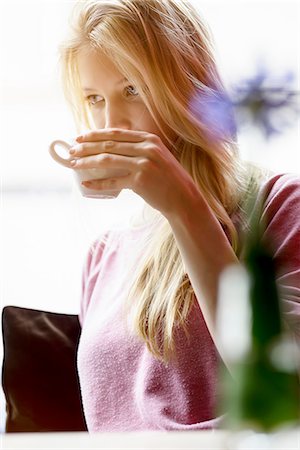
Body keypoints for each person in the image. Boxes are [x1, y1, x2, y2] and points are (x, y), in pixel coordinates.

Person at [59, 0, 300, 432]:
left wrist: (185, 208)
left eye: (132, 89)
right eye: (94, 99)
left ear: (185, 84)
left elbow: (283, 386)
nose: (112, 122)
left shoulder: (277, 207)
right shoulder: (103, 257)